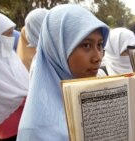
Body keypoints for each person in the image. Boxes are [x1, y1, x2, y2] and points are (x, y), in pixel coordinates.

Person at [17, 4, 109, 141]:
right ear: (58, 49)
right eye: (86, 45)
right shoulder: (36, 131)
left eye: (100, 45)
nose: (98, 57)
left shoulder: (93, 96)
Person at [0, 12, 29, 141]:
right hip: (10, 133)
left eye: (11, 33)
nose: (11, 38)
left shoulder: (11, 58)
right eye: (6, 34)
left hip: (28, 127)